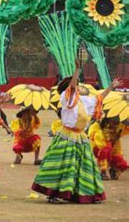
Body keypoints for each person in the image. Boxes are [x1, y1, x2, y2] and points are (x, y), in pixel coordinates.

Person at [32, 60, 120, 204]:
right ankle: (54, 193)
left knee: (84, 166)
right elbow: (72, 87)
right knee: (63, 164)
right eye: (76, 86)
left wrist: (111, 86)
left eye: (78, 86)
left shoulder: (82, 100)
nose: (77, 88)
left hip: (80, 137)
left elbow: (99, 98)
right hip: (67, 136)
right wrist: (77, 70)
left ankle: (84, 194)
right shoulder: (66, 99)